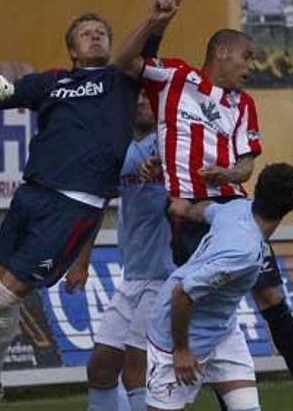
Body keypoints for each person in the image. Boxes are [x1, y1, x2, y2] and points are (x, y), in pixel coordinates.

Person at [0, 0, 209, 411]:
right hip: (31, 195)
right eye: (86, 32)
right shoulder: (51, 82)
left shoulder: (122, 78)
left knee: (7, 299)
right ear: (70, 46)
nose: (96, 36)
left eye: (101, 31)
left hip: (74, 203)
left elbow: (160, 17)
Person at [141, 30, 293, 410]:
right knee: (205, 296)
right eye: (247, 56)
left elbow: (246, 165)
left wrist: (229, 174)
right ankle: (187, 363)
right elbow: (136, 65)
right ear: (222, 52)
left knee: (270, 298)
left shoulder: (243, 105)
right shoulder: (178, 83)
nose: (251, 65)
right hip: (195, 216)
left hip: (233, 210)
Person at [145, 163, 293, 411]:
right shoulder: (244, 252)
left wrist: (184, 208)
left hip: (221, 330)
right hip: (176, 335)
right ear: (290, 208)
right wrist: (182, 350)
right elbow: (182, 293)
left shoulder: (238, 208)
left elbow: (204, 210)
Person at [86, 91, 175, 411]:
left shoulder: (173, 141)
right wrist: (80, 263)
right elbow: (94, 202)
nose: (140, 102)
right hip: (133, 275)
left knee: (136, 367)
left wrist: (166, 165)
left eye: (148, 96)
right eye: (134, 96)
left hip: (167, 275)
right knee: (100, 368)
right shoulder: (119, 150)